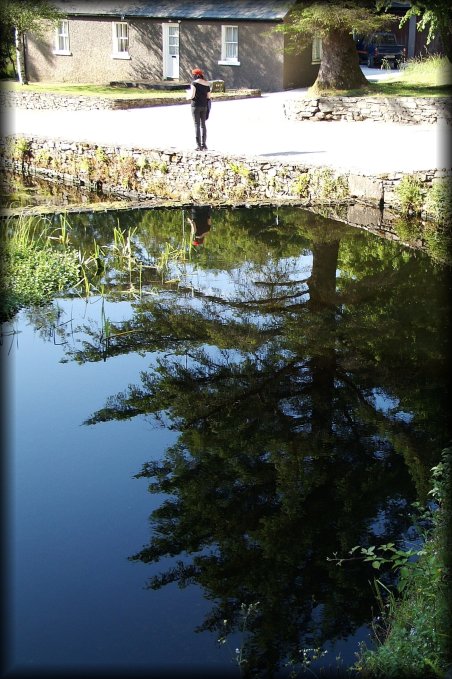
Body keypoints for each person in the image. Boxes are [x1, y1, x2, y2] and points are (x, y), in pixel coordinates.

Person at [186, 68, 211, 151]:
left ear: (195, 75)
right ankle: (204, 144)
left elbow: (192, 95)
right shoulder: (207, 84)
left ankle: (198, 145)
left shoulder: (194, 83)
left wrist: (187, 96)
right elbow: (209, 97)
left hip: (195, 106)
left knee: (197, 125)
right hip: (204, 106)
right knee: (203, 125)